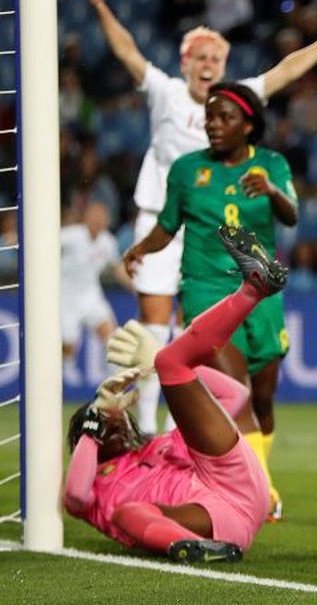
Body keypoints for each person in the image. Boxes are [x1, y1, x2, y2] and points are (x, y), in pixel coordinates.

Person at [75, 0, 317, 438]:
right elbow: (128, 50)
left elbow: (289, 69)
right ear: (185, 63)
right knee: (156, 321)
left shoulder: (238, 99)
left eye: (217, 59)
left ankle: (181, 419)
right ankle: (150, 422)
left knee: (202, 330)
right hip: (161, 217)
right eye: (201, 58)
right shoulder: (165, 92)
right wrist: (98, 4)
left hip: (216, 229)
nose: (209, 65)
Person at [123, 82, 298, 520]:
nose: (213, 126)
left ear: (249, 125)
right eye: (210, 117)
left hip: (260, 291)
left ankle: (259, 479)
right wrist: (141, 248)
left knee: (262, 401)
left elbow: (291, 214)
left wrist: (272, 191)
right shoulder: (186, 169)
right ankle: (262, 495)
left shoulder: (271, 164)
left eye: (225, 118)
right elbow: (168, 225)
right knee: (234, 393)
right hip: (205, 290)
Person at [64, 224, 288, 562]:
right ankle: (193, 548)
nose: (118, 422)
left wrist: (159, 371)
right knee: (128, 514)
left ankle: (252, 289)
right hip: (213, 521)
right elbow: (74, 498)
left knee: (170, 361)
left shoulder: (161, 445)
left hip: (232, 480)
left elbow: (234, 397)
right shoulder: (95, 487)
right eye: (106, 420)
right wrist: (92, 424)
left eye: (117, 417)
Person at [60, 202, 132, 385]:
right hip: (65, 296)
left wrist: (135, 288)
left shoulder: (108, 241)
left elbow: (116, 268)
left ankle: (115, 379)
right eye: (96, 216)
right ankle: (64, 379)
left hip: (91, 294)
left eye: (103, 217)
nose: (100, 220)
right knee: (69, 343)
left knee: (112, 336)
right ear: (87, 218)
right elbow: (45, 246)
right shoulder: (71, 235)